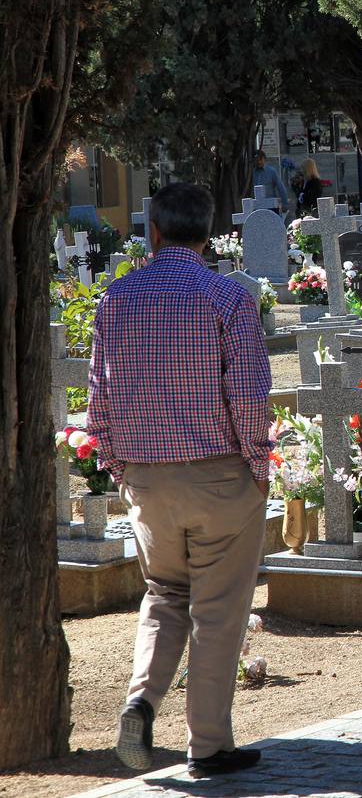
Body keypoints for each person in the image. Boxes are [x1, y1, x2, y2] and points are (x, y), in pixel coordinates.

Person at [88, 183, 271, 778]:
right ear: (208, 234)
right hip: (219, 474)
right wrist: (257, 465)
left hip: (146, 480)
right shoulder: (228, 298)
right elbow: (248, 396)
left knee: (165, 594)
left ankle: (141, 700)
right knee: (218, 611)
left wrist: (120, 468)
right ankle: (209, 743)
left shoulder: (115, 300)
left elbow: (99, 400)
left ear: (155, 232)